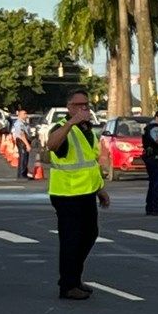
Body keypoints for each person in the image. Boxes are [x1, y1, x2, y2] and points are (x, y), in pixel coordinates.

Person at [45, 91, 110, 301]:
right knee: (71, 240)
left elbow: (90, 164)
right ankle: (68, 285)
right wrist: (71, 123)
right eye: (78, 105)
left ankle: (74, 277)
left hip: (86, 193)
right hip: (66, 194)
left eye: (86, 105)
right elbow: (52, 145)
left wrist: (100, 190)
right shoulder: (64, 127)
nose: (83, 108)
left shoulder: (87, 130)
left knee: (90, 234)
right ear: (69, 107)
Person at [11, 108, 33, 179]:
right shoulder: (19, 123)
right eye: (24, 114)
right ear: (20, 115)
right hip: (22, 142)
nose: (26, 115)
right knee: (23, 158)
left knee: (25, 158)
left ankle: (24, 173)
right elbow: (22, 135)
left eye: (26, 113)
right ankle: (21, 174)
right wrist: (27, 144)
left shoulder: (25, 123)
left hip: (25, 141)